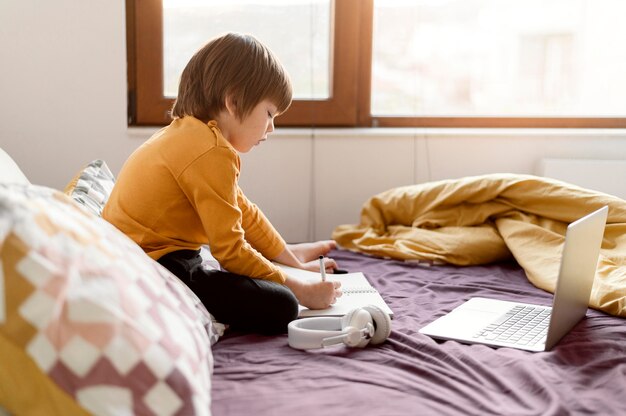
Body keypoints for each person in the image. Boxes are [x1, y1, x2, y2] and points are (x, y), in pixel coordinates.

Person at [103, 32, 342, 334]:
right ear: (233, 101)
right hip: (156, 267)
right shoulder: (210, 152)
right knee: (283, 304)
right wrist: (300, 289)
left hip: (146, 254)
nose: (272, 127)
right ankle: (287, 269)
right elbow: (230, 252)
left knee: (273, 281)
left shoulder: (190, 135)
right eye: (269, 113)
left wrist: (292, 261)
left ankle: (291, 255)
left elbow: (245, 212)